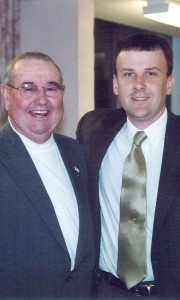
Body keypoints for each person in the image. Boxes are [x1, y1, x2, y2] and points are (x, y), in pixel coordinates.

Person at [77, 32, 180, 299]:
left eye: (151, 74)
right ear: (115, 83)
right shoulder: (92, 129)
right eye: (128, 74)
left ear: (169, 84)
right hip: (104, 291)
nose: (139, 85)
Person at [0, 51, 96, 299]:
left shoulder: (77, 152)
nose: (41, 100)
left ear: (62, 94)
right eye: (28, 88)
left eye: (51, 89)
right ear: (5, 94)